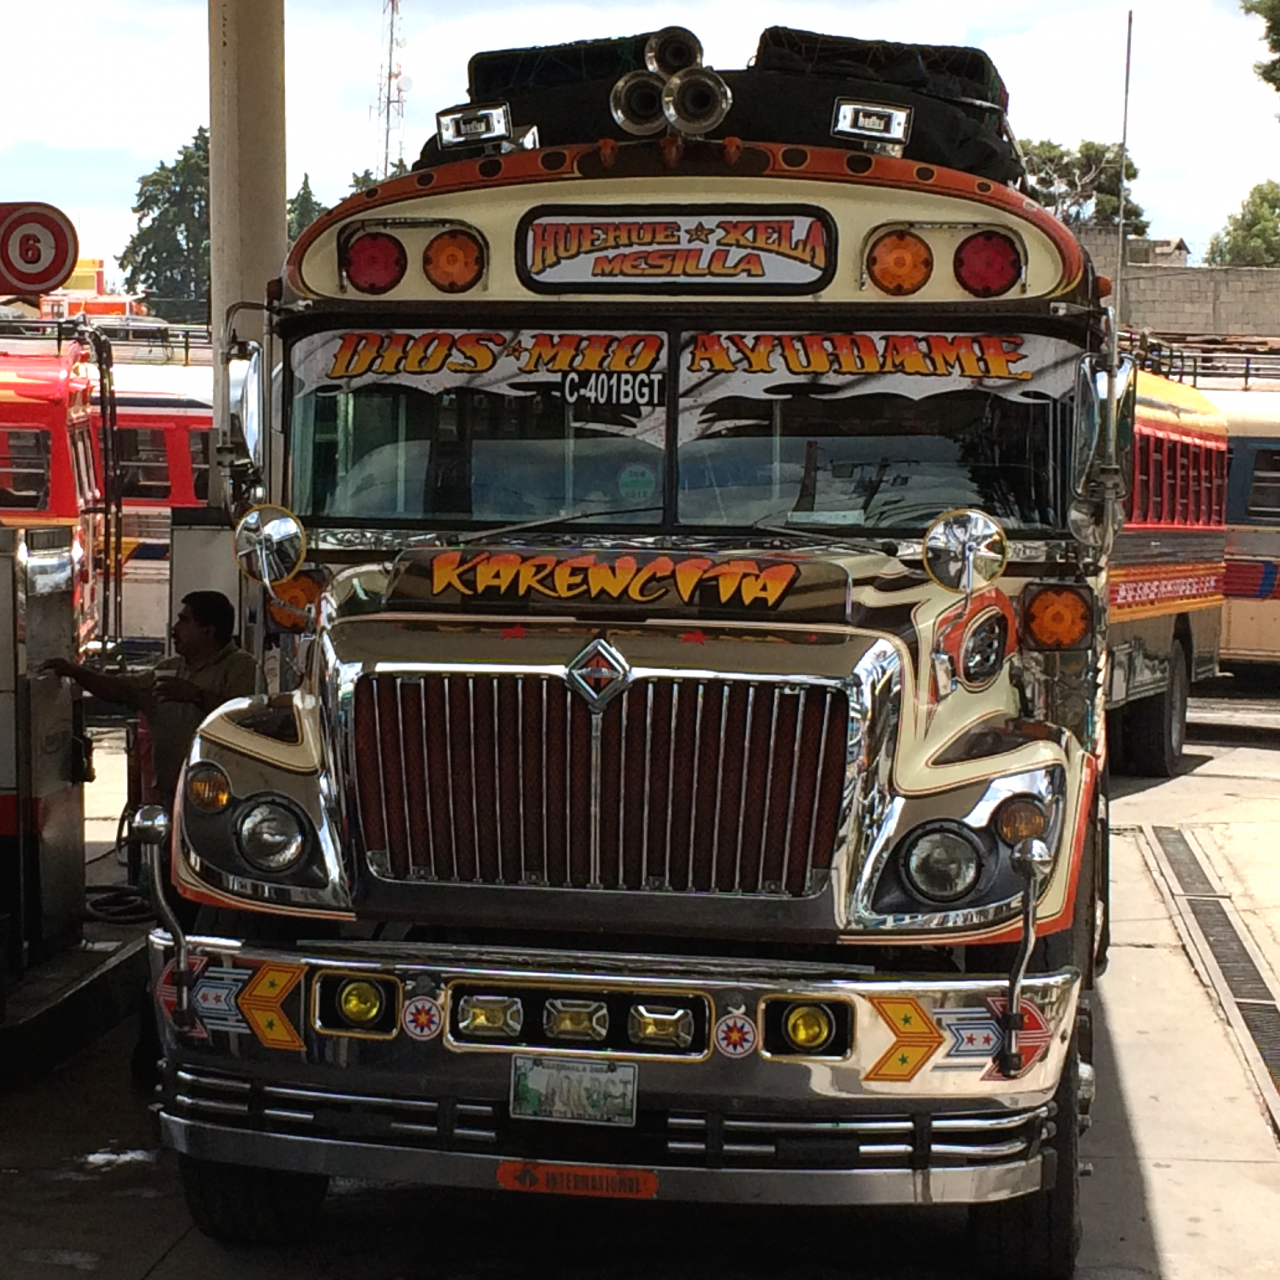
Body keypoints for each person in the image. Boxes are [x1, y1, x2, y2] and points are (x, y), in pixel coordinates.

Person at [43, 590, 257, 803]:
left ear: (208, 631)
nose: (174, 629)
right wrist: (75, 672)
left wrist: (196, 696)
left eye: (184, 621)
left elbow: (246, 719)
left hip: (221, 795)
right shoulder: (170, 668)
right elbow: (121, 690)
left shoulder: (241, 666)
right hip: (171, 790)